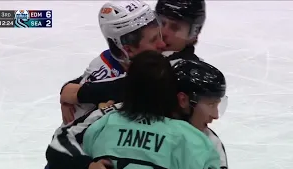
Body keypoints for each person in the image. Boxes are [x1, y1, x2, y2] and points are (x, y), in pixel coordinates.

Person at [45, 51, 228, 169]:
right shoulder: (200, 142)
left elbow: (59, 146)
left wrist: (86, 168)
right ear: (177, 97)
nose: (216, 115)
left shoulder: (104, 122)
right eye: (211, 104)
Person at [59, 0, 206, 123]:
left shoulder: (189, 71)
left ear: (193, 34)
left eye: (175, 28)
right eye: (162, 23)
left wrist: (80, 93)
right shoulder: (130, 57)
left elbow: (139, 86)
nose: (165, 35)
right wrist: (70, 90)